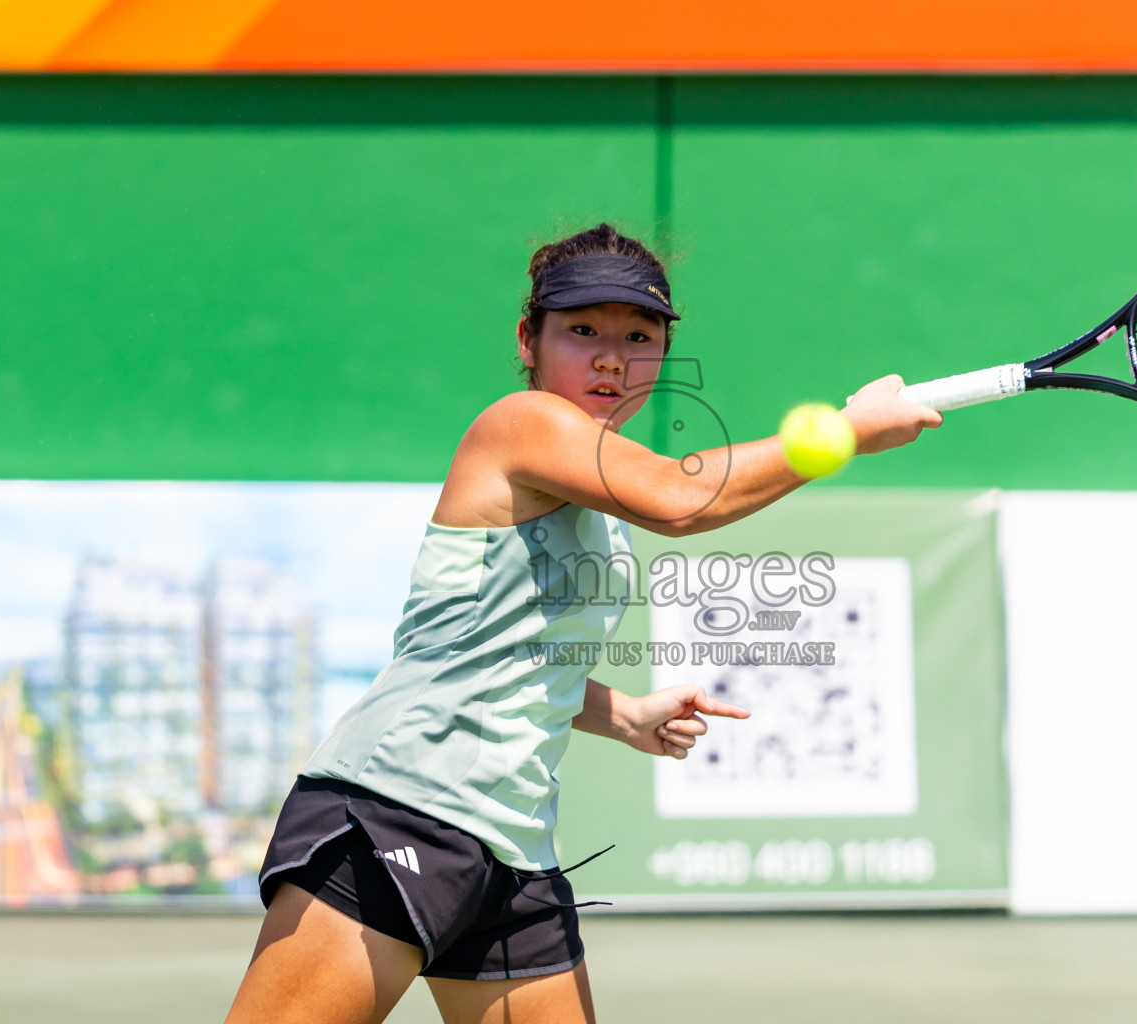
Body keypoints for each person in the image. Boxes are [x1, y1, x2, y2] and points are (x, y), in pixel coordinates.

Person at [222, 224, 942, 1024]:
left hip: (513, 848)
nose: (612, 357)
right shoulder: (522, 424)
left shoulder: (602, 510)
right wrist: (842, 433)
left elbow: (510, 656)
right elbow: (680, 497)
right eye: (584, 332)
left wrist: (624, 713)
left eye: (639, 337)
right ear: (529, 340)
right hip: (400, 808)